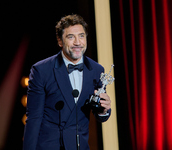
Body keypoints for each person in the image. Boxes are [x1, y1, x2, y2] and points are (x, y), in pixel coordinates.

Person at [23, 14, 111, 150]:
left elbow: (100, 115)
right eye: (71, 37)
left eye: (81, 36)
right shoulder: (42, 70)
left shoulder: (96, 70)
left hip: (79, 146)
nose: (77, 42)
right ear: (60, 41)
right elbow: (34, 118)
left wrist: (103, 110)